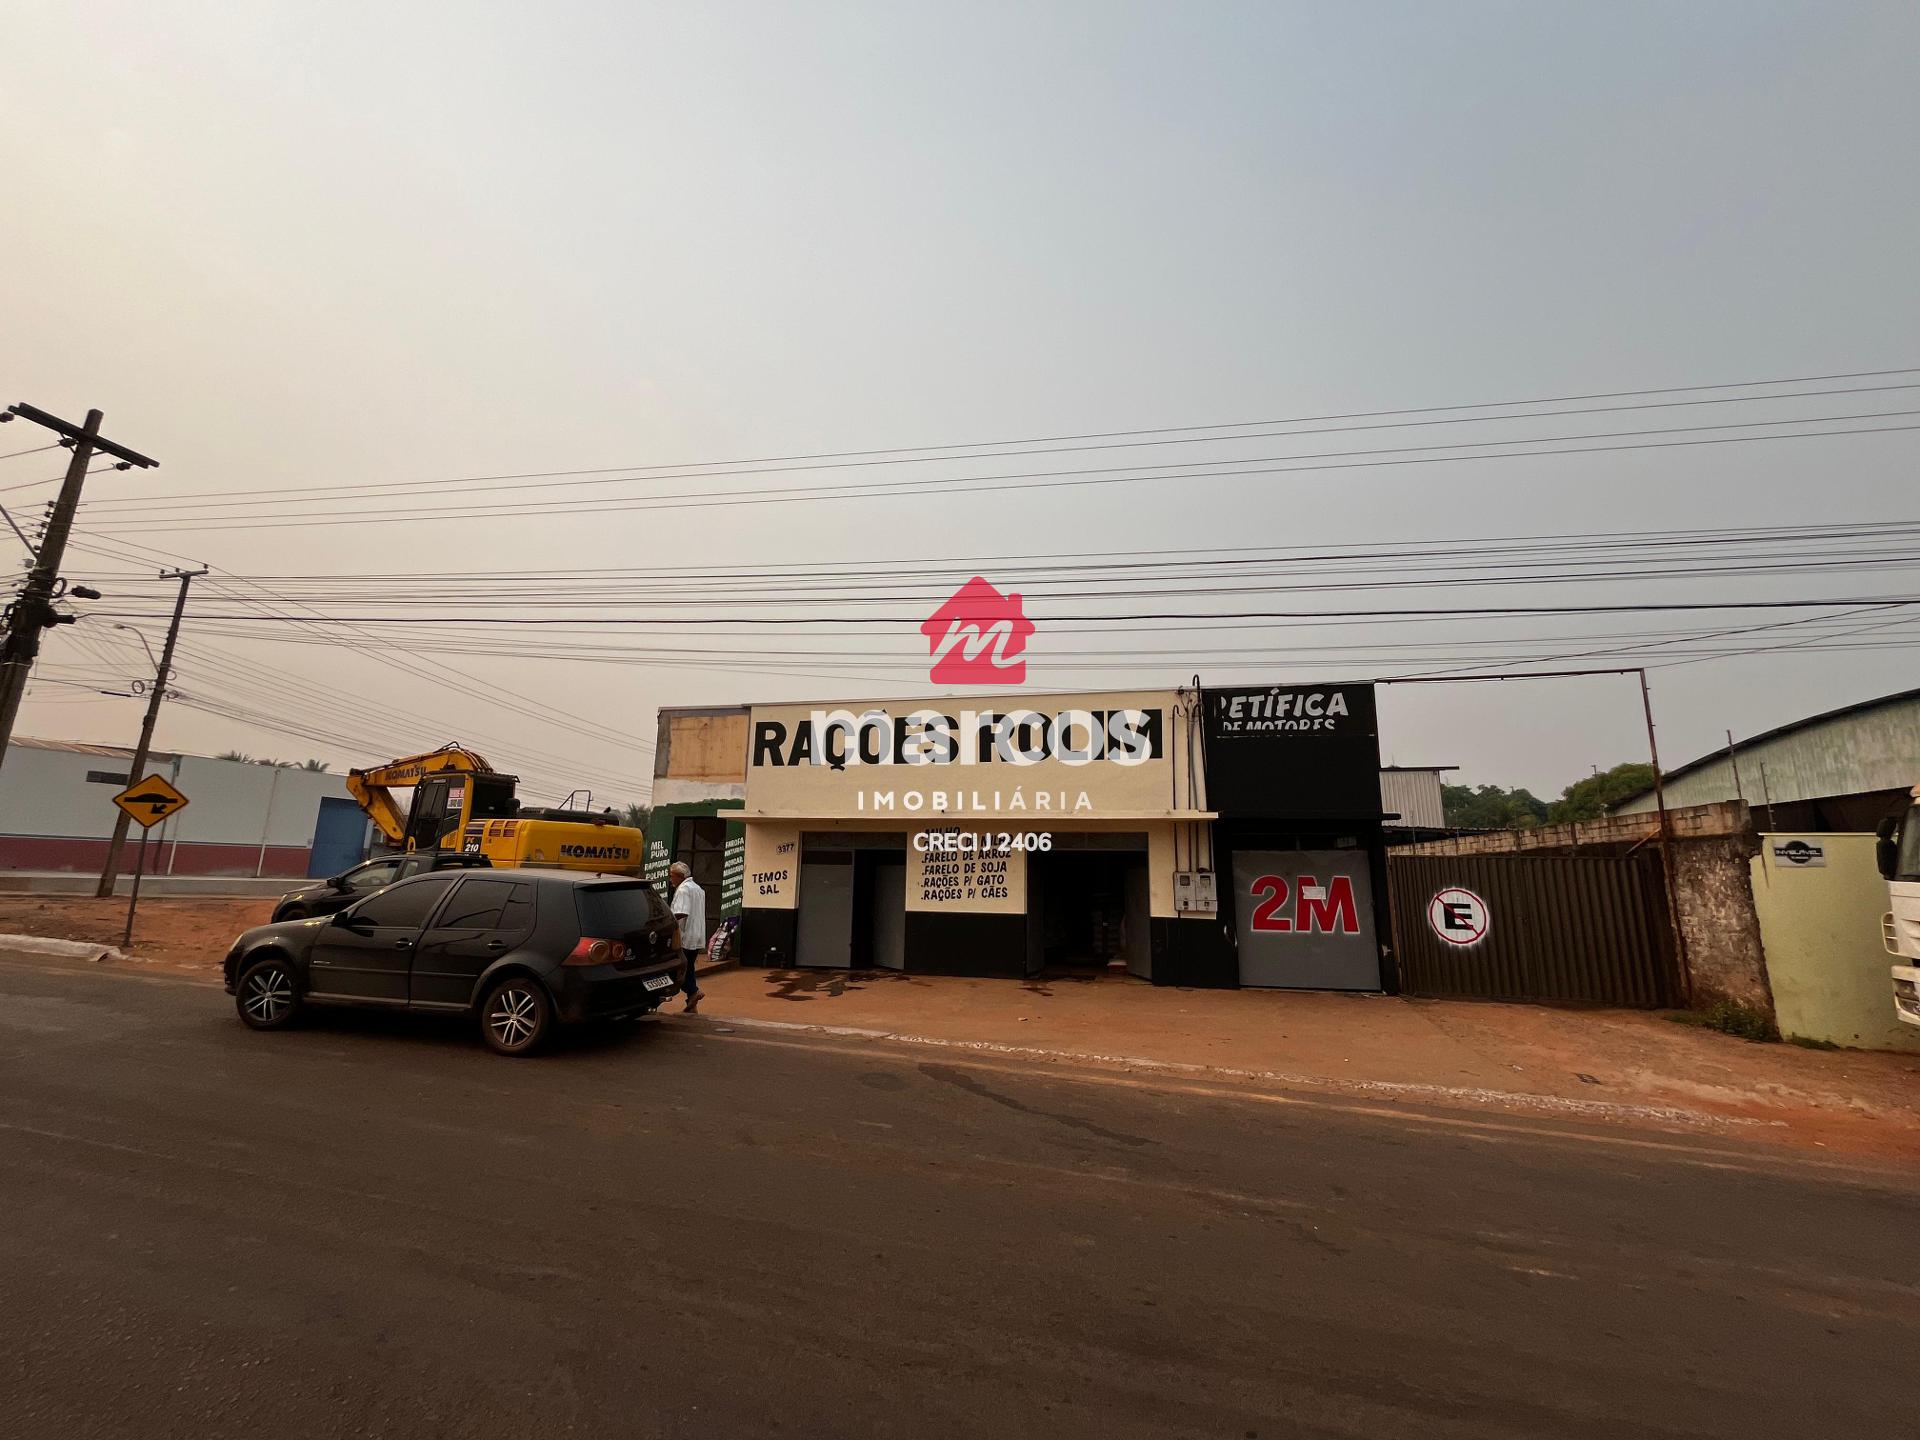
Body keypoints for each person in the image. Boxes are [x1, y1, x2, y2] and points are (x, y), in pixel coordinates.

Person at [668, 861, 706, 1013]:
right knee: (689, 968)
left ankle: (693, 990)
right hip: (696, 935)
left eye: (672, 876)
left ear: (679, 876)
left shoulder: (683, 889)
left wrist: (667, 920)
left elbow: (682, 912)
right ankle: (692, 1001)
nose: (670, 880)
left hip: (685, 936)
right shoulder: (697, 889)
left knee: (677, 969)